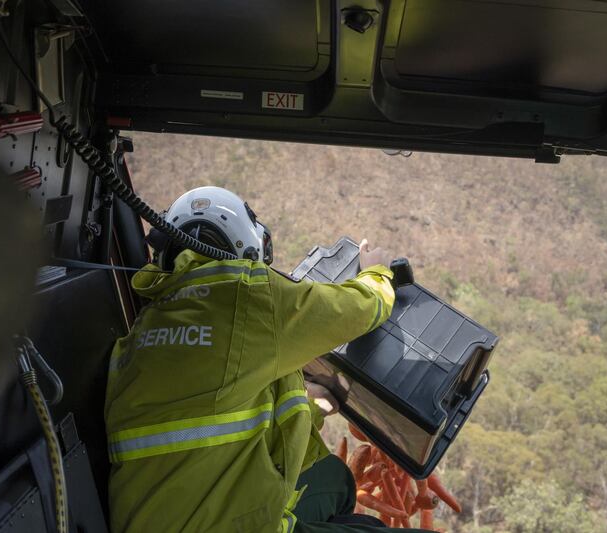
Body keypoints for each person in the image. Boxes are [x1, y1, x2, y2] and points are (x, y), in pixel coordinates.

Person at [104, 186, 434, 532]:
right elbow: (360, 308)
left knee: (334, 479)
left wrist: (313, 408)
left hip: (154, 516)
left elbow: (218, 414)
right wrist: (377, 273)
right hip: (223, 524)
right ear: (247, 247)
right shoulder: (245, 297)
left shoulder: (142, 330)